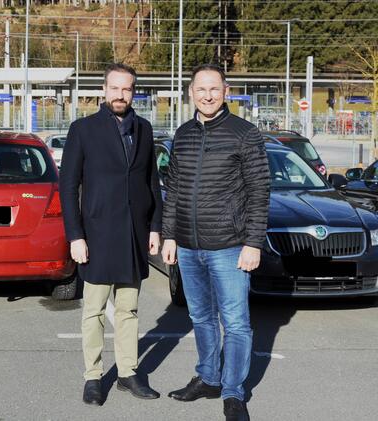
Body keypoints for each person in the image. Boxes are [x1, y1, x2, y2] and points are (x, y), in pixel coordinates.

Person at [161, 64, 270, 421]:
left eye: (214, 89)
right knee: (201, 317)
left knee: (236, 322)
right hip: (189, 248)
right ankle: (208, 377)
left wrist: (253, 242)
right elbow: (174, 190)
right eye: (200, 89)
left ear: (226, 91)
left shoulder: (245, 133)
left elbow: (259, 191)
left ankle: (233, 392)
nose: (207, 96)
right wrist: (169, 235)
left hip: (229, 246)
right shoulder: (183, 133)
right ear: (190, 92)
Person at [59, 63, 163, 406]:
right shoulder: (83, 130)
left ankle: (128, 373)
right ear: (104, 90)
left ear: (134, 92)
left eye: (128, 89)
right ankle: (92, 377)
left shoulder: (144, 130)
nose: (121, 95)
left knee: (129, 310)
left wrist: (155, 227)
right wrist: (75, 235)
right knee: (93, 311)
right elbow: (68, 186)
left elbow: (152, 183)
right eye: (116, 88)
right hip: (97, 235)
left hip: (133, 235)